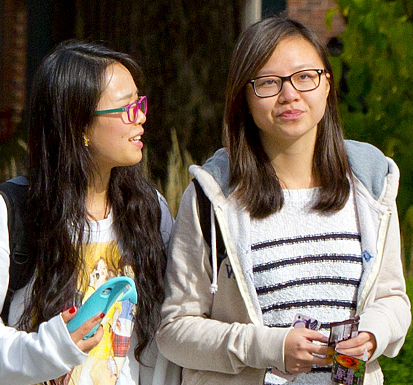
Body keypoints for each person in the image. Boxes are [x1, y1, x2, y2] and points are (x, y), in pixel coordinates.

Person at [156, 17, 411, 385]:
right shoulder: (212, 197)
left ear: (327, 84)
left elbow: (393, 299)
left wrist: (373, 334)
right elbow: (175, 331)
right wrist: (267, 346)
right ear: (244, 96)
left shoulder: (369, 184)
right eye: (268, 83)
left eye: (305, 76)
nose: (289, 94)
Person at [0, 41, 180, 385]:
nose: (141, 116)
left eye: (139, 102)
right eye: (126, 108)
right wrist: (48, 350)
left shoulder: (150, 211)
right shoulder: (12, 213)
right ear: (80, 126)